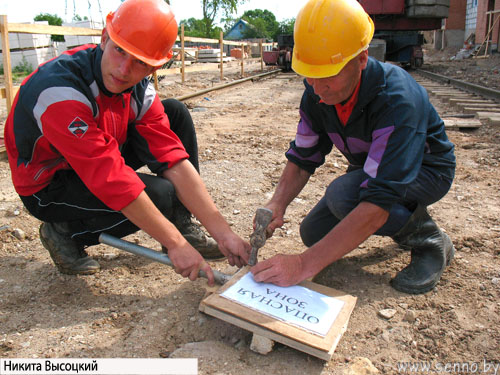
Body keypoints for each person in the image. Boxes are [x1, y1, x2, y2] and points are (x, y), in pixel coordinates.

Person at [4, 0, 250, 285]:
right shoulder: (59, 90)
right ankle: (63, 232)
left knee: (175, 114)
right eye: (120, 50)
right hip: (49, 183)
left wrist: (224, 234)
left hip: (97, 150)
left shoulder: (139, 87)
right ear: (105, 37)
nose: (123, 70)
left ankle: (184, 224)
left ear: (155, 65)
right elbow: (110, 178)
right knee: (159, 196)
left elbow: (172, 158)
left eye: (141, 62)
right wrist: (174, 244)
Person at [251, 0, 456, 294]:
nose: (318, 89)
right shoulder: (317, 92)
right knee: (314, 232)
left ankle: (430, 240)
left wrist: (304, 264)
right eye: (310, 74)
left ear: (361, 59)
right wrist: (277, 203)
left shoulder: (397, 100)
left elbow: (378, 200)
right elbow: (303, 156)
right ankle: (405, 222)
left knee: (344, 195)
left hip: (428, 171)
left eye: (329, 75)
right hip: (372, 168)